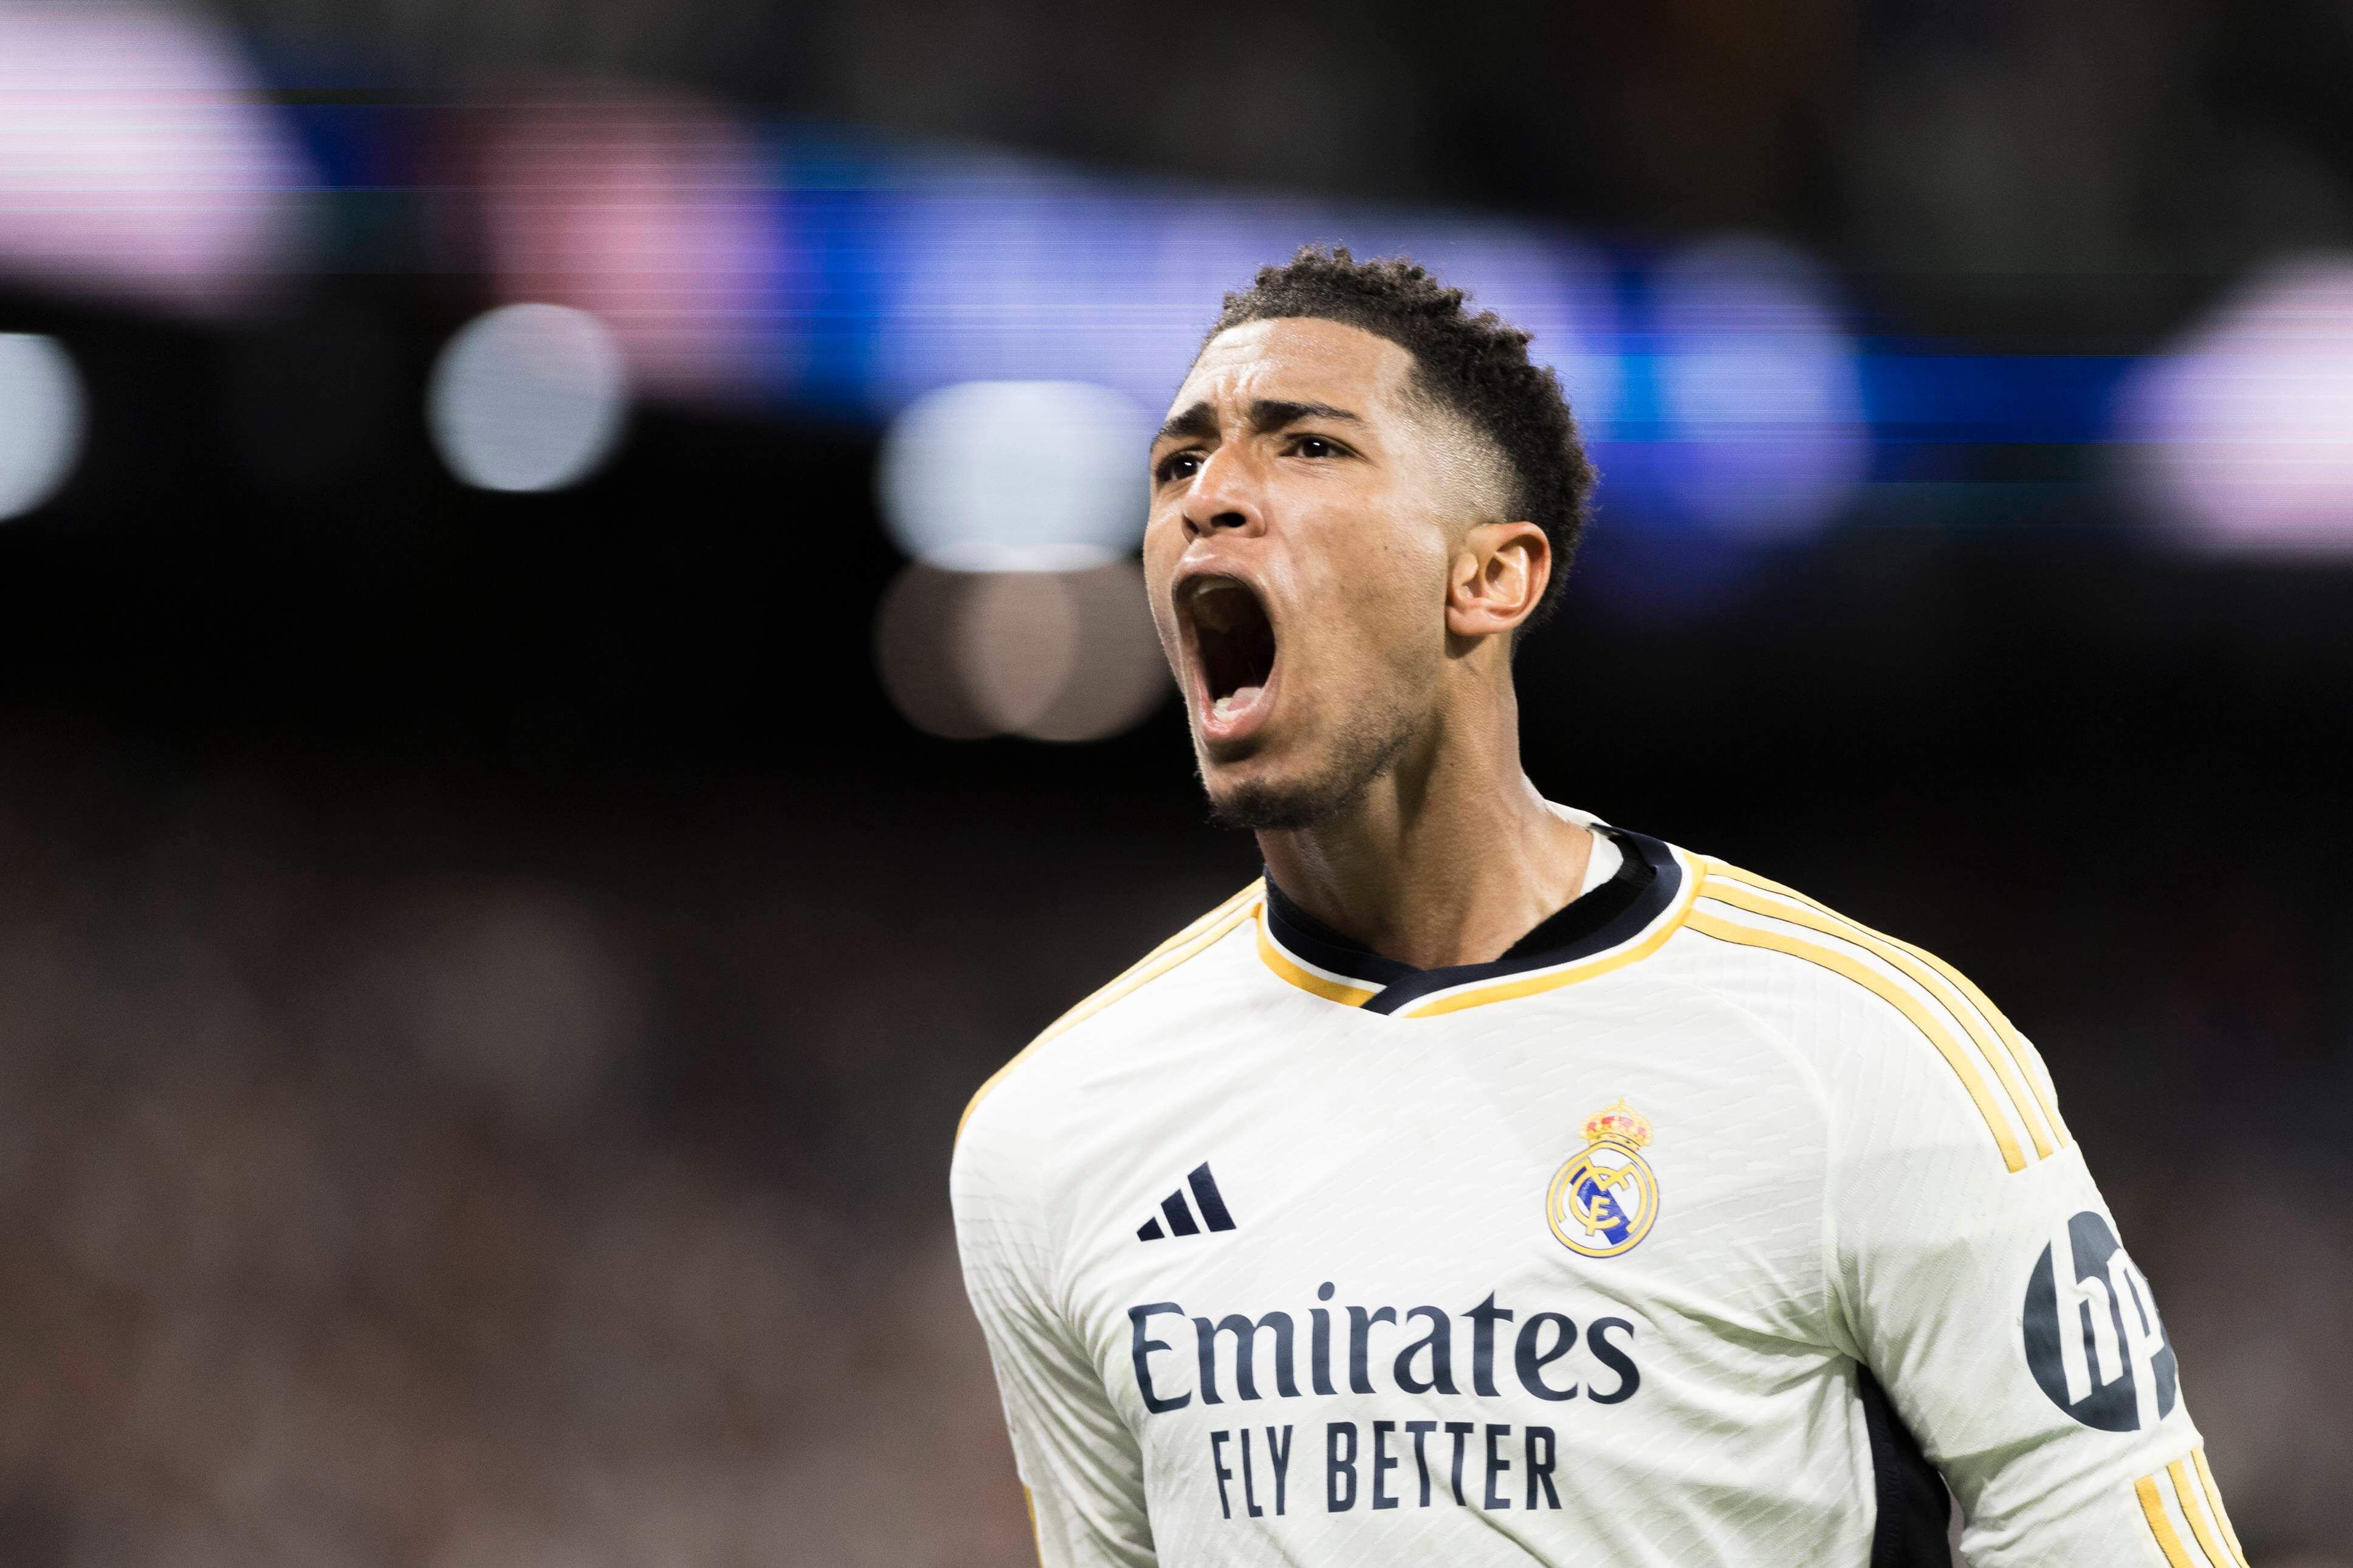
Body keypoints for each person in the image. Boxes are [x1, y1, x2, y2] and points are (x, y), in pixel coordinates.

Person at [949, 247, 2242, 1567]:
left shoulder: (1859, 1047)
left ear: (1490, 578)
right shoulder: (1051, 1135)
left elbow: (2109, 1529)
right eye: (1178, 464)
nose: (1210, 497)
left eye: (1309, 446)